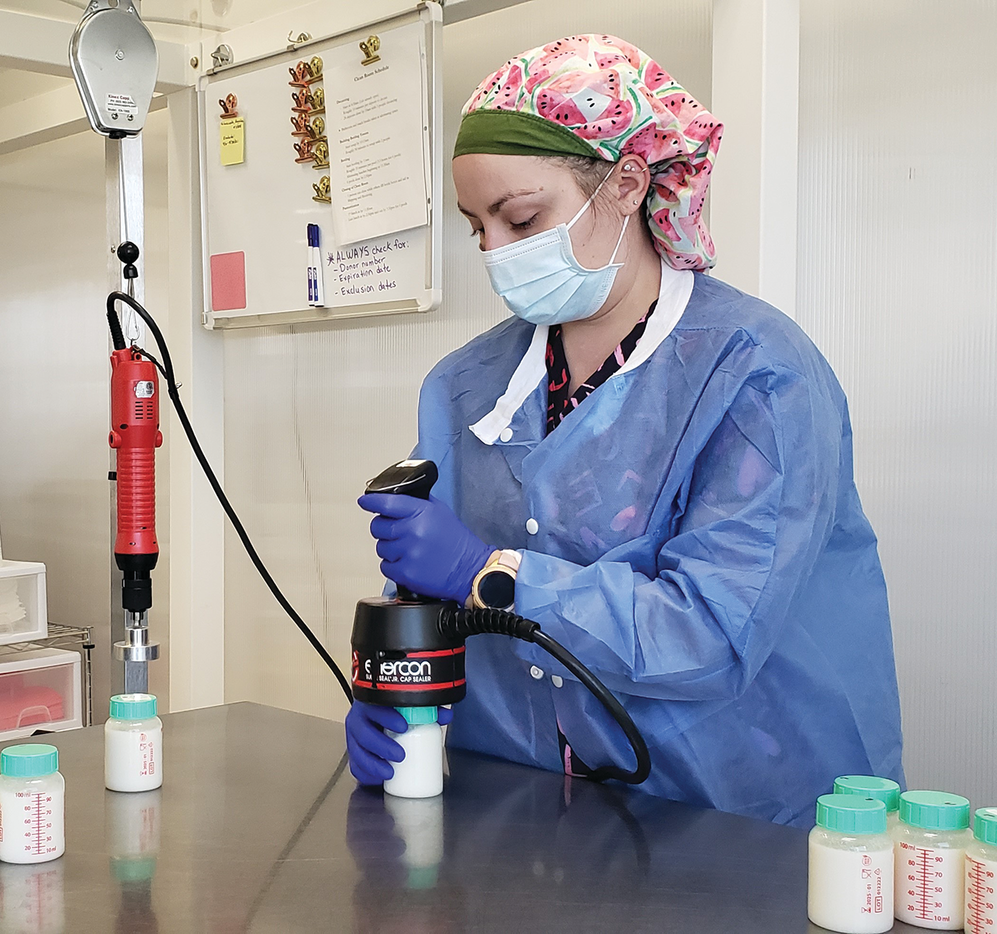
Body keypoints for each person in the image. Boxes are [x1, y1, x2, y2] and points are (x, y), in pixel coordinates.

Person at [347, 35, 902, 826]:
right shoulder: (466, 387)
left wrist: (493, 572)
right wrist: (393, 687)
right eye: (477, 229)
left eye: (520, 218)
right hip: (522, 812)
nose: (496, 254)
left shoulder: (755, 375)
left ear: (626, 185)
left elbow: (714, 628)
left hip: (727, 819)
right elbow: (426, 593)